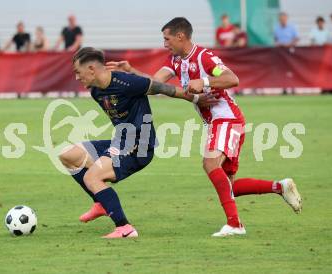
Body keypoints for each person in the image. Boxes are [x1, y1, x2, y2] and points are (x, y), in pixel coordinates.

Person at [106, 17, 302, 237]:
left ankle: (235, 225)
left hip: (227, 119)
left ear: (181, 36)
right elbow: (154, 85)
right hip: (216, 123)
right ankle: (280, 187)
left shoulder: (204, 57)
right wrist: (131, 70)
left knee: (209, 163)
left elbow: (232, 78)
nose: (165, 44)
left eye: (167, 39)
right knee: (229, 187)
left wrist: (205, 82)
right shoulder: (175, 61)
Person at [59, 47, 216, 238]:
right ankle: (101, 202)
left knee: (91, 177)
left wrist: (198, 98)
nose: (76, 77)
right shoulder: (96, 92)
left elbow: (166, 89)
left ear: (91, 68)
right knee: (68, 155)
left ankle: (125, 228)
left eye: (78, 72)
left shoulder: (126, 82)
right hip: (122, 142)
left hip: (140, 146)